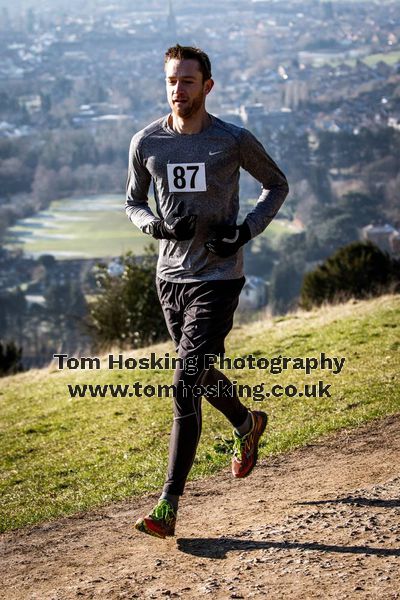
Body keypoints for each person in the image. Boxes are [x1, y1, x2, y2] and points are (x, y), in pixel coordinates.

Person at [125, 44, 289, 539]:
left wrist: (245, 231)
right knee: (195, 376)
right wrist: (155, 226)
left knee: (183, 383)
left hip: (218, 278)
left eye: (188, 81)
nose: (179, 90)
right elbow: (133, 202)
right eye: (172, 81)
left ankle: (168, 505)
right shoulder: (146, 142)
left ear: (207, 86)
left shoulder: (233, 140)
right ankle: (246, 423)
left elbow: (276, 184)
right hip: (170, 279)